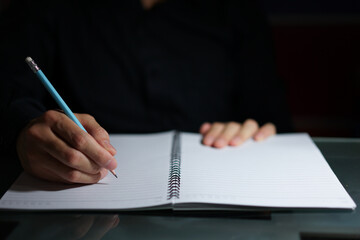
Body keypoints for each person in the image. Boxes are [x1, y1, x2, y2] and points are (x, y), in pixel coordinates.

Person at [0, 0, 292, 184]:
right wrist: (24, 133)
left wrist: (253, 132)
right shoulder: (43, 7)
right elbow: (11, 92)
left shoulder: (237, 9)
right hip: (79, 206)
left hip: (217, 202)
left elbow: (270, 117)